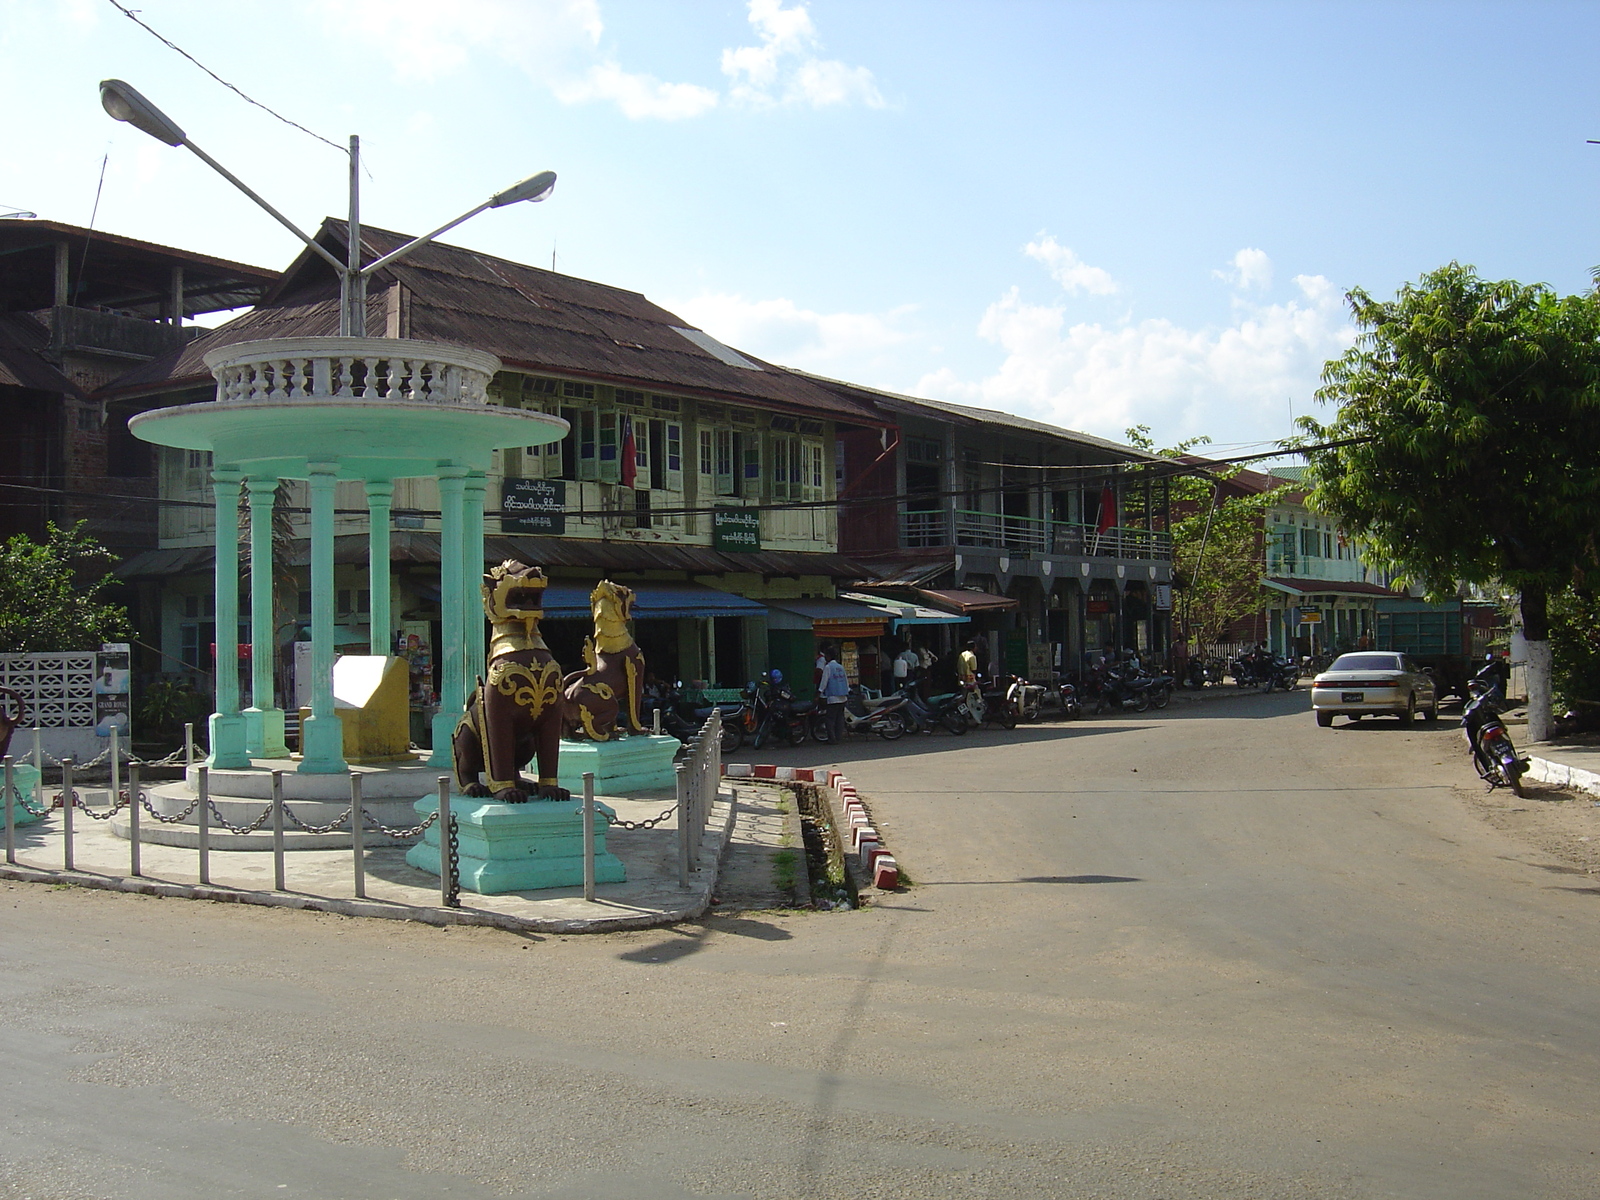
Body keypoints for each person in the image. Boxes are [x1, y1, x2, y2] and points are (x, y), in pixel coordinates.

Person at [818, 646, 850, 744]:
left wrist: (819, 693)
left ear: (828, 656)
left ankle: (832, 739)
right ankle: (838, 737)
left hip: (833, 697)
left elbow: (824, 682)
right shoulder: (840, 667)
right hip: (843, 697)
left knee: (830, 719)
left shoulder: (828, 667)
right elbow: (846, 681)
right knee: (840, 718)